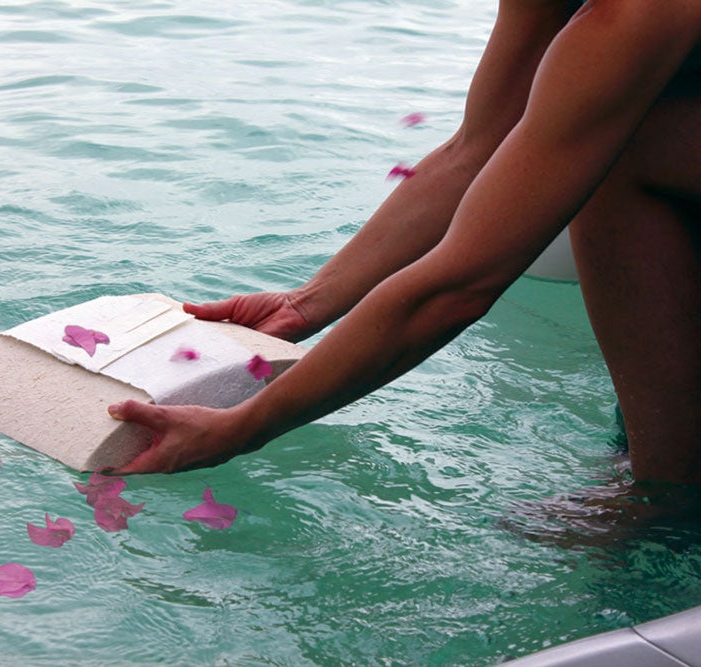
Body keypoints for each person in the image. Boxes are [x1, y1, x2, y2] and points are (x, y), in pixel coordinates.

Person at [108, 0, 701, 483]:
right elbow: (477, 148)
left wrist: (242, 427)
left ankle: (667, 497)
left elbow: (461, 287)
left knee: (614, 156)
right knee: (595, 137)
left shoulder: (632, 17)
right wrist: (306, 303)